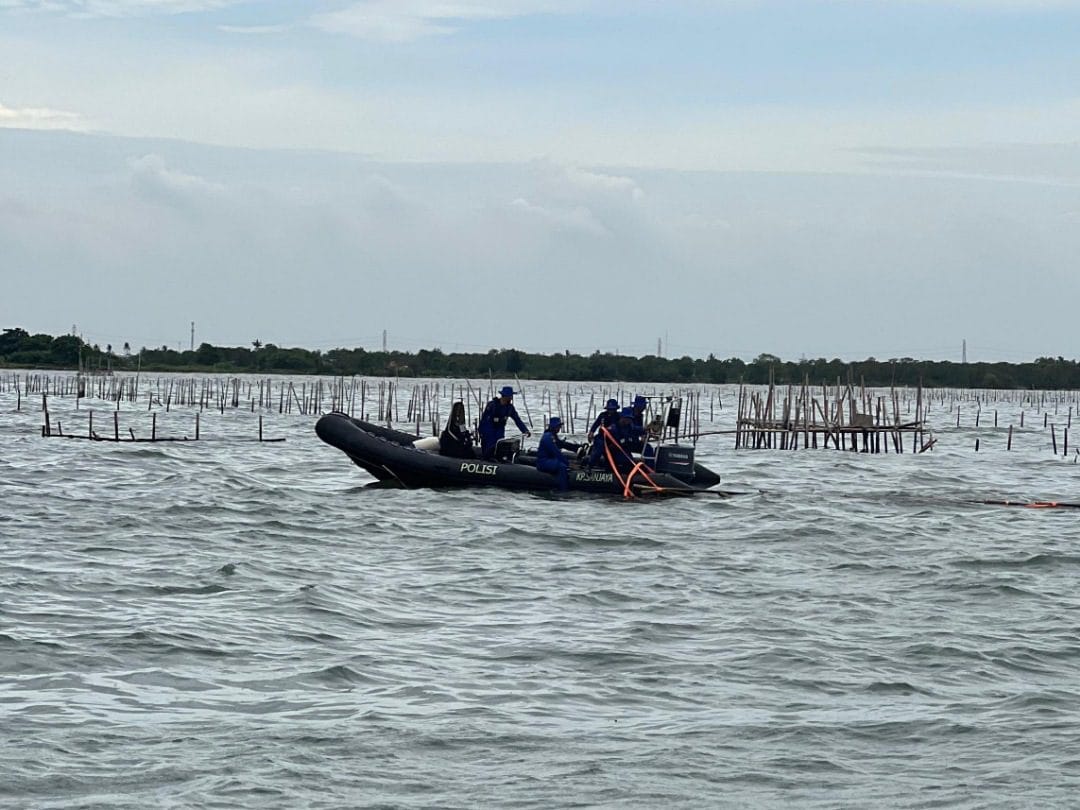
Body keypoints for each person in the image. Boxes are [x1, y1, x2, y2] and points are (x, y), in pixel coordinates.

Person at [478, 385, 530, 459]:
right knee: (489, 449)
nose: (511, 398)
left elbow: (517, 420)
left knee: (500, 447)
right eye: (510, 396)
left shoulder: (510, 408)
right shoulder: (492, 405)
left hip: (500, 430)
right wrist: (481, 432)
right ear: (505, 396)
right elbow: (484, 420)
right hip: (489, 430)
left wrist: (525, 430)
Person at [536, 416, 580, 489]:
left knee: (563, 464)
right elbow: (556, 452)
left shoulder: (553, 436)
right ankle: (563, 490)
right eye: (558, 426)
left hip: (550, 460)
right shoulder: (548, 437)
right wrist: (568, 464)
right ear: (553, 426)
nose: (559, 428)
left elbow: (561, 444)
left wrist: (577, 447)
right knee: (562, 467)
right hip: (543, 462)